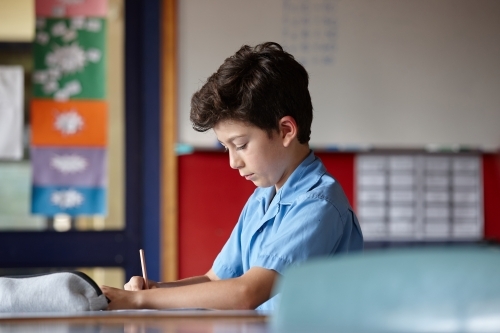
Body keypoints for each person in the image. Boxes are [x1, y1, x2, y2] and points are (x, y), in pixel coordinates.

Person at [101, 41, 363, 311]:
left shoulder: (319, 205)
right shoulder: (263, 198)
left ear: (286, 130)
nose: (233, 162)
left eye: (240, 145)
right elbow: (214, 279)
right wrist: (156, 290)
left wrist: (141, 300)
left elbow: (246, 292)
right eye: (226, 148)